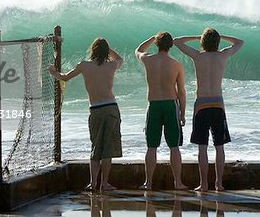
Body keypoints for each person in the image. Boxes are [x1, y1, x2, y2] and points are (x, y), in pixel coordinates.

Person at [48, 38, 123, 191]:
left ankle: (93, 183)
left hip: (95, 109)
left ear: (92, 50)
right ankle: (105, 183)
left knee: (96, 147)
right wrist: (108, 50)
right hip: (111, 107)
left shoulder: (84, 66)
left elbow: (65, 77)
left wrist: (53, 72)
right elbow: (120, 58)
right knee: (107, 148)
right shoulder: (111, 65)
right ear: (106, 51)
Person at [173, 28, 244, 191]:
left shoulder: (198, 56)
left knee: (202, 147)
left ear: (203, 42)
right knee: (220, 147)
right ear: (218, 42)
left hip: (202, 104)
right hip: (218, 104)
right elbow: (239, 42)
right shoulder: (223, 55)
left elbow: (177, 41)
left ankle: (204, 184)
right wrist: (221, 36)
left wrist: (197, 36)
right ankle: (219, 184)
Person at [135, 32, 188, 190]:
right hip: (171, 105)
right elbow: (182, 92)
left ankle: (148, 183)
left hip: (154, 105)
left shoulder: (148, 60)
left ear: (157, 44)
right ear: (171, 45)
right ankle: (177, 182)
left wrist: (152, 38)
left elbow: (138, 50)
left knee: (151, 147)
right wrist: (183, 113)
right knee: (174, 147)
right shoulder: (176, 64)